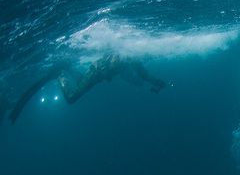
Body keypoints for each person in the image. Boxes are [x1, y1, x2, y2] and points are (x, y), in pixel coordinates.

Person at [8, 54, 169, 123]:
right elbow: (143, 75)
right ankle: (60, 75)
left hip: (97, 75)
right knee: (71, 97)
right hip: (96, 73)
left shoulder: (131, 59)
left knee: (80, 81)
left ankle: (68, 68)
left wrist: (156, 82)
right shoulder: (130, 57)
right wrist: (155, 81)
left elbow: (143, 75)